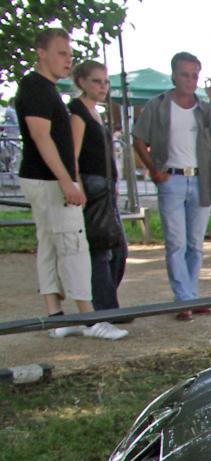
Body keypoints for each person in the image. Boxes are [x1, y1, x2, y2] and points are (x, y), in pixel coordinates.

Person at [16, 29, 121, 339]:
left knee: (49, 245)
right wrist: (67, 180)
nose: (67, 60)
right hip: (49, 180)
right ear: (42, 52)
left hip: (45, 179)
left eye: (69, 54)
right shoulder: (35, 87)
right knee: (74, 246)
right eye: (61, 53)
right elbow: (40, 136)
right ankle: (90, 319)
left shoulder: (45, 89)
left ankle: (55, 317)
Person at [133, 51, 211, 320]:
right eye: (185, 75)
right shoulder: (158, 105)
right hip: (172, 179)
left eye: (195, 76)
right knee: (175, 243)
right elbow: (138, 139)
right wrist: (153, 170)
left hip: (201, 179)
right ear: (174, 75)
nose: (190, 80)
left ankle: (190, 294)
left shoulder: (204, 108)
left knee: (195, 244)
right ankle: (182, 300)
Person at [69, 60, 129, 322]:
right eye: (97, 81)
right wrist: (77, 184)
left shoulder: (95, 112)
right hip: (92, 185)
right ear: (82, 82)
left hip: (105, 185)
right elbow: (73, 152)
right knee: (102, 248)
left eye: (105, 82)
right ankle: (105, 308)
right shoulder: (78, 112)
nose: (103, 86)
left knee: (117, 248)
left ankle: (106, 302)